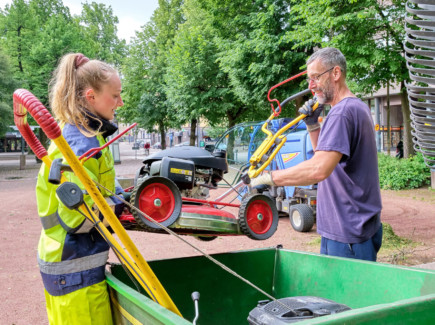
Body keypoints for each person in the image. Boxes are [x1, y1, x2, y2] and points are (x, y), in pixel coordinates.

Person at [251, 47, 382, 261]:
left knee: (341, 295)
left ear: (336, 74)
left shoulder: (341, 113)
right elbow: (328, 156)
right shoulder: (356, 107)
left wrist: (270, 177)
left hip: (347, 231)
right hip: (352, 227)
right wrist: (312, 125)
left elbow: (319, 168)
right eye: (309, 79)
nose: (311, 86)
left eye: (316, 78)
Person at [35, 53, 124, 324]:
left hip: (67, 261)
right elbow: (77, 216)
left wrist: (122, 194)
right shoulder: (81, 146)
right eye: (115, 95)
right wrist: (119, 205)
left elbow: (101, 184)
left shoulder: (85, 134)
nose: (120, 102)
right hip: (74, 268)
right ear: (91, 96)